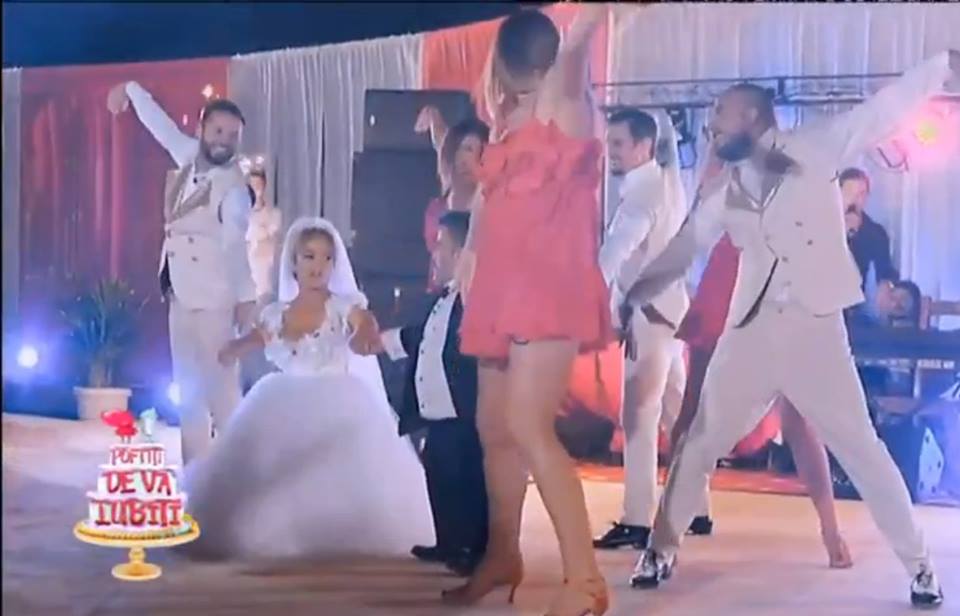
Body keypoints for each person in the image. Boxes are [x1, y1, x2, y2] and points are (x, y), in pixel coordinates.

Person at [624, 49, 959, 608]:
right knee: (700, 441)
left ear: (752, 117)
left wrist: (941, 68)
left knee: (863, 449)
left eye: (720, 112)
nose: (710, 123)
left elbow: (880, 112)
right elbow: (686, 246)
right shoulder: (726, 188)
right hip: (749, 332)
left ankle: (921, 566)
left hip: (815, 329)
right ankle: (660, 549)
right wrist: (632, 293)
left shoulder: (815, 147)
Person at [448, 7, 612, 616]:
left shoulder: (564, 105)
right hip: (502, 288)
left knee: (528, 425)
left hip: (547, 292)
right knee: (494, 426)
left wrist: (592, 17)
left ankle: (586, 581)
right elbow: (489, 204)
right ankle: (503, 553)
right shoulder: (513, 122)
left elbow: (577, 45)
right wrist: (469, 255)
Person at [180, 217, 434, 560]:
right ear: (294, 263)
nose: (319, 266)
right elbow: (252, 341)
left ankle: (336, 529)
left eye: (327, 258)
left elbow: (365, 324)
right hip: (282, 399)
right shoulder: (276, 313)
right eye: (310, 256)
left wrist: (364, 335)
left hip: (338, 396)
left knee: (338, 466)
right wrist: (234, 348)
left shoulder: (343, 307)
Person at [671, 234, 853, 568]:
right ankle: (664, 539)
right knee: (693, 413)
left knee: (799, 419)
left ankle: (831, 532)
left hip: (777, 275)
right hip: (736, 272)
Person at [107, 82, 257, 465]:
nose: (224, 141)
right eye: (218, 131)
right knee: (188, 392)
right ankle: (195, 473)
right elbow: (160, 125)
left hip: (214, 300)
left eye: (233, 135)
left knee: (221, 392)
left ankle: (238, 472)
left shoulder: (234, 189)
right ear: (202, 129)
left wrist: (245, 299)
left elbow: (235, 245)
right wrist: (131, 90)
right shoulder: (188, 156)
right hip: (179, 292)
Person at [592, 108, 712, 550]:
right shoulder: (669, 181)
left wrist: (590, 298)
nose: (611, 151)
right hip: (672, 312)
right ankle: (696, 507)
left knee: (640, 418)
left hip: (648, 315)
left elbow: (614, 253)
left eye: (619, 143)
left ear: (643, 147)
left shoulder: (641, 196)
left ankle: (637, 518)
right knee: (677, 413)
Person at [377, 211, 487, 577]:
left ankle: (472, 546)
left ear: (461, 253)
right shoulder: (441, 300)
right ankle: (448, 540)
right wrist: (383, 342)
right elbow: (419, 336)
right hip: (437, 410)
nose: (433, 254)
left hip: (463, 410)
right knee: (438, 472)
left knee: (465, 476)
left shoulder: (473, 299)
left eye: (440, 245)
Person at [415, 109, 489, 290]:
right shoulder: (447, 186)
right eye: (461, 149)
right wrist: (432, 116)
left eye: (471, 150)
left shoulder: (484, 203)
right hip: (438, 290)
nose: (464, 159)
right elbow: (441, 140)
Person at [841, 167, 899, 289]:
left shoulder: (876, 234)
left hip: (857, 299)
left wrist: (887, 285)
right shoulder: (822, 227)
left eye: (860, 194)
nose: (854, 200)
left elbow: (884, 273)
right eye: (849, 193)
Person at [245, 168, 282, 304]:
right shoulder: (241, 214)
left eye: (258, 185)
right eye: (252, 186)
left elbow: (272, 236)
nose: (256, 190)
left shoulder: (273, 214)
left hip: (262, 264)